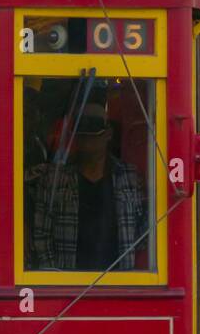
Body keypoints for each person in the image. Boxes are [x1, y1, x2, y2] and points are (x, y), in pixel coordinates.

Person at [32, 100, 147, 271]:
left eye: (94, 128)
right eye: (82, 128)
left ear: (108, 133)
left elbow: (144, 233)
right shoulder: (53, 180)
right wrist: (56, 282)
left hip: (118, 286)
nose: (88, 137)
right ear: (75, 135)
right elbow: (41, 236)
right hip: (69, 288)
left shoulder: (129, 178)